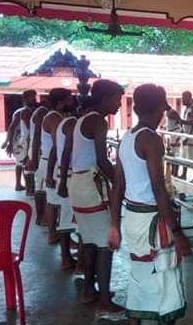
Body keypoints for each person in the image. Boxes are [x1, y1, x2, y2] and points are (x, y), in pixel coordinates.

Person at [109, 84, 190, 325]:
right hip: (152, 221)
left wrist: (114, 224)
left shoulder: (128, 137)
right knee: (166, 280)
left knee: (141, 274)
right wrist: (177, 231)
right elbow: (158, 189)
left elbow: (117, 185)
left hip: (132, 217)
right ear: (159, 110)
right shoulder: (152, 140)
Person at [58, 79, 124, 313]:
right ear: (106, 98)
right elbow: (101, 159)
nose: (118, 104)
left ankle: (89, 289)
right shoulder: (97, 121)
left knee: (89, 240)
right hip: (90, 186)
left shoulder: (81, 119)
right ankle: (105, 301)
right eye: (117, 99)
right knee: (105, 243)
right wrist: (121, 182)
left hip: (78, 183)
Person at [44, 90, 78, 270]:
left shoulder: (61, 120)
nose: (72, 101)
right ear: (62, 102)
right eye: (69, 98)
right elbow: (60, 151)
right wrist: (58, 177)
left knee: (64, 213)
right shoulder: (63, 121)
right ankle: (66, 256)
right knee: (66, 215)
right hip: (68, 173)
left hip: (63, 171)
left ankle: (69, 253)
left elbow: (56, 151)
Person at [2, 90, 37, 191]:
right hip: (20, 141)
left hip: (23, 141)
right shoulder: (20, 112)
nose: (34, 99)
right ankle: (27, 188)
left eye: (34, 97)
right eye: (32, 97)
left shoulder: (31, 110)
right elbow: (11, 128)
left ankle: (21, 185)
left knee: (20, 163)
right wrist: (8, 142)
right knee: (23, 162)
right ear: (25, 99)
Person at [25, 96, 52, 224]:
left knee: (40, 187)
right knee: (42, 188)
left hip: (38, 151)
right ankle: (42, 217)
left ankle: (41, 217)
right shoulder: (42, 112)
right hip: (40, 152)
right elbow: (37, 136)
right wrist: (35, 158)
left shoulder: (40, 111)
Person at [179, 91, 193, 183]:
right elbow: (185, 124)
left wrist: (188, 136)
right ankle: (184, 174)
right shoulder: (186, 109)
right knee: (184, 156)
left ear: (189, 98)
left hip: (192, 136)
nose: (182, 100)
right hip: (186, 135)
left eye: (184, 98)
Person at [165, 101, 182, 182]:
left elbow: (180, 122)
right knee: (170, 154)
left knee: (175, 155)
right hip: (170, 133)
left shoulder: (173, 112)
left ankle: (175, 173)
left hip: (175, 133)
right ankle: (172, 172)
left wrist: (179, 136)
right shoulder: (167, 112)